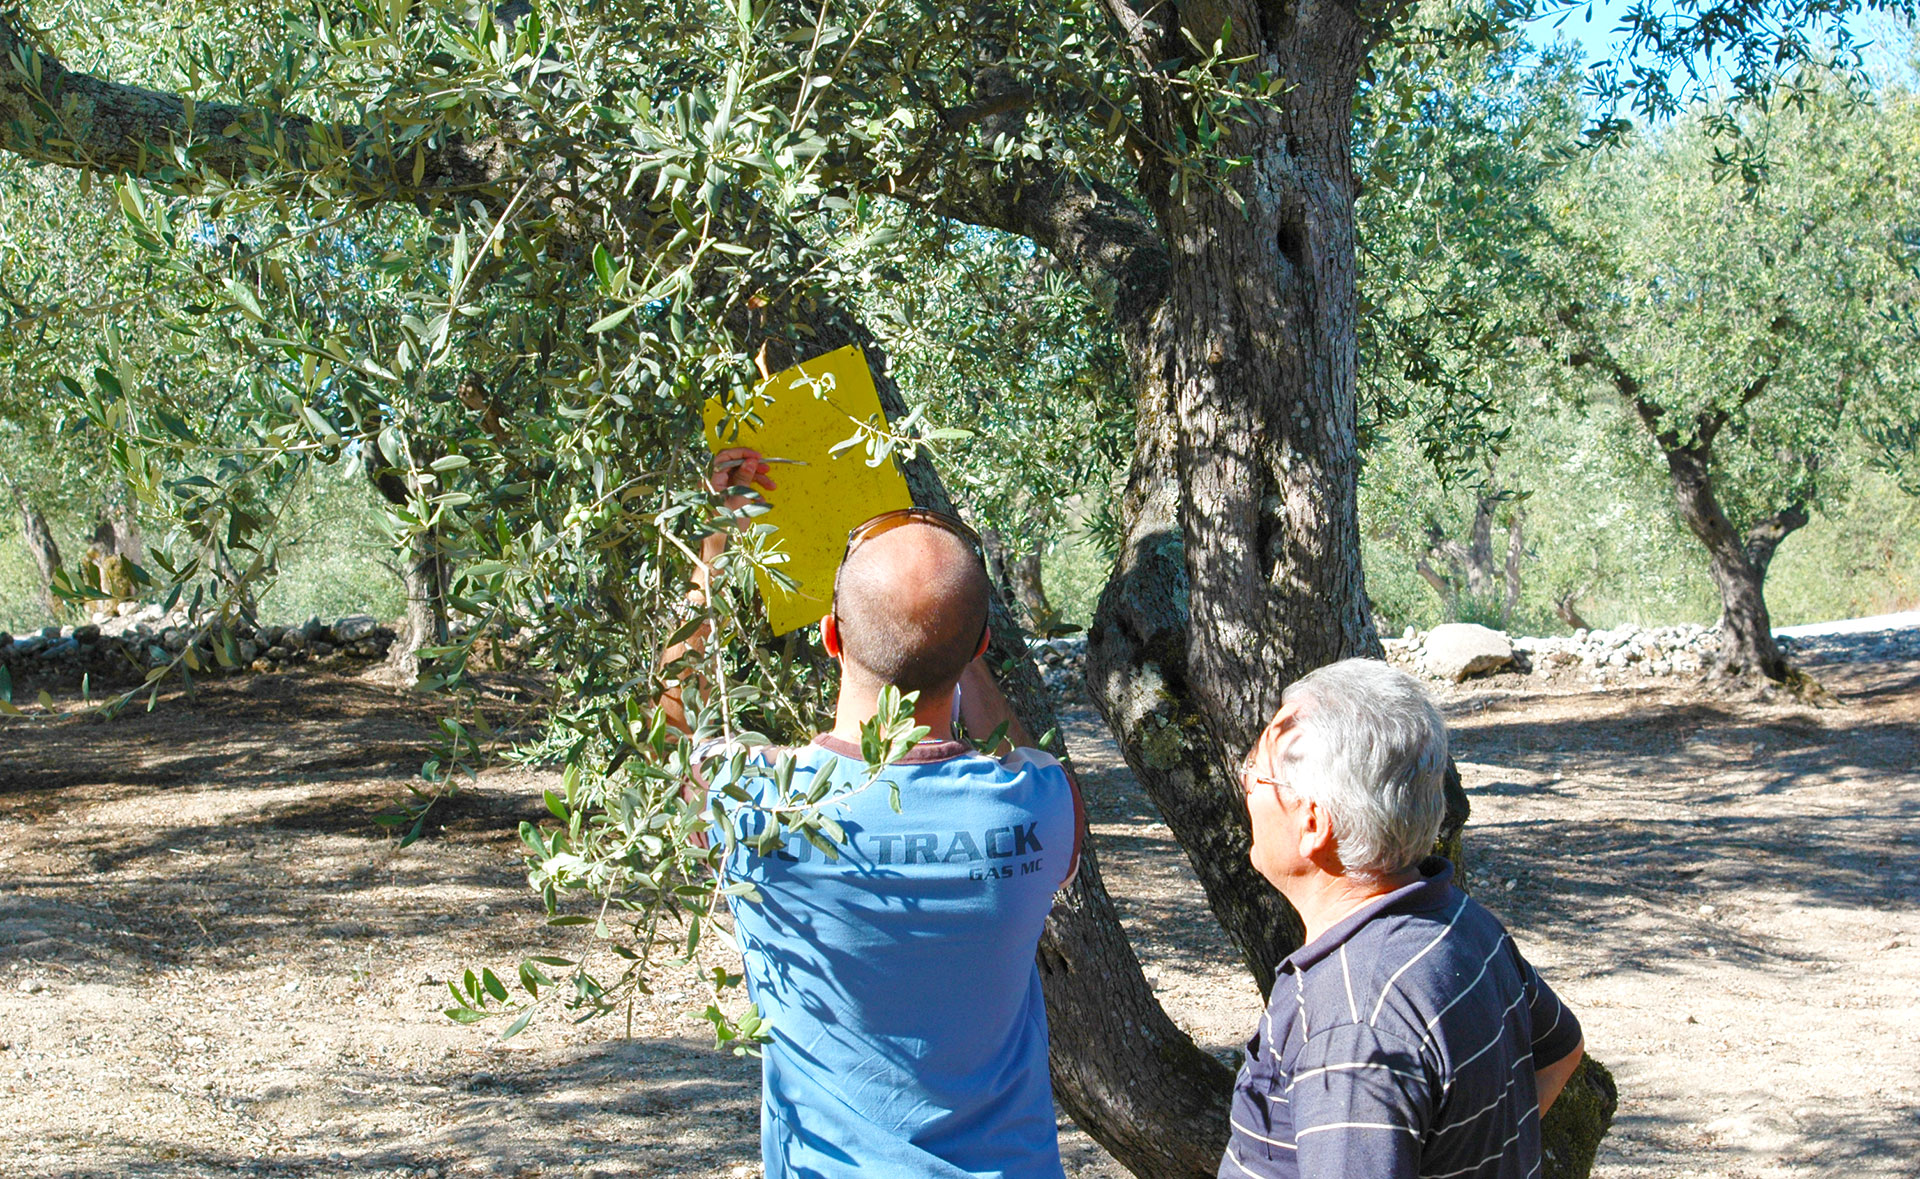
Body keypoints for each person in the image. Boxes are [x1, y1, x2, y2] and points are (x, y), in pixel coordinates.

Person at [666, 447, 1084, 1179]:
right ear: (981, 645)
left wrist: (714, 550)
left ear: (831, 636)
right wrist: (954, 636)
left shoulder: (757, 799)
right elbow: (1017, 750)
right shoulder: (1038, 808)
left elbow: (667, 729)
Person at [1221, 658, 1585, 1179]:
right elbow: (1561, 1051)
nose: (1246, 785)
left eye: (1255, 770)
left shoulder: (1354, 1023)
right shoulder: (1462, 923)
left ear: (1314, 823)